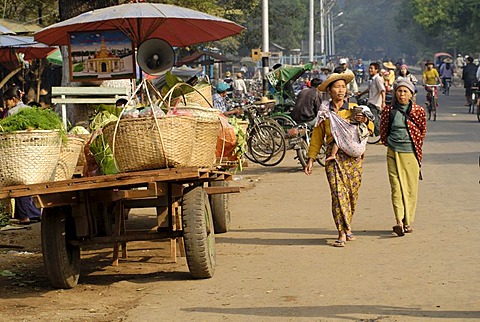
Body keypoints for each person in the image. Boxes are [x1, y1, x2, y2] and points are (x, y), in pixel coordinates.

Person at [304, 72, 373, 247]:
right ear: (329, 90)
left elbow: (370, 126)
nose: (340, 90)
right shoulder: (324, 113)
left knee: (351, 195)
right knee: (338, 195)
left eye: (343, 87)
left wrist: (364, 120)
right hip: (332, 158)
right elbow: (317, 137)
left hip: (353, 159)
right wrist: (311, 159)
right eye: (336, 87)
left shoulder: (354, 109)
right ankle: (341, 232)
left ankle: (348, 225)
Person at [379, 79, 427, 236]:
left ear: (411, 94)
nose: (402, 94)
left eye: (405, 91)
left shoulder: (418, 111)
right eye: (399, 91)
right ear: (395, 93)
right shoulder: (388, 111)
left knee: (410, 188)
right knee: (396, 187)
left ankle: (408, 221)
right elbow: (383, 131)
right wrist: (392, 144)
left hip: (410, 154)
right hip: (393, 152)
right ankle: (399, 220)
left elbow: (422, 132)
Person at [2, 86, 42, 224]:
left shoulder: (11, 113)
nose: (6, 104)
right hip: (32, 152)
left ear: (13, 99)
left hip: (17, 152)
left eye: (7, 101)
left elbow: (6, 132)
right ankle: (30, 213)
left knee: (18, 182)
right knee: (27, 181)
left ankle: (26, 215)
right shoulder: (30, 110)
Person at [357, 62, 386, 136]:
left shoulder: (377, 79)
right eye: (369, 68)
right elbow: (369, 89)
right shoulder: (372, 79)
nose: (370, 70)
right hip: (371, 101)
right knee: (371, 118)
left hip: (375, 102)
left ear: (376, 70)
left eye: (371, 68)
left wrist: (383, 102)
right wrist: (361, 94)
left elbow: (382, 90)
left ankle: (379, 135)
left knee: (375, 119)